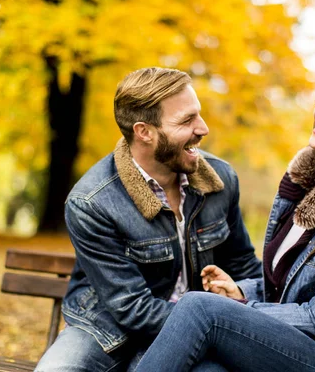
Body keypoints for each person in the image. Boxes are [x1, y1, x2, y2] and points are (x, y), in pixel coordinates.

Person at [135, 66, 315, 372]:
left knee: (198, 307)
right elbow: (290, 288)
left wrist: (242, 307)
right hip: (289, 348)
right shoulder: (302, 191)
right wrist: (241, 292)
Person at [35, 67, 262, 372]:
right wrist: (211, 320)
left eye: (199, 114)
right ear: (144, 132)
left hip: (200, 329)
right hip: (108, 327)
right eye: (187, 120)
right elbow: (130, 308)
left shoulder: (220, 180)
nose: (203, 128)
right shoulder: (91, 202)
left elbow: (244, 266)